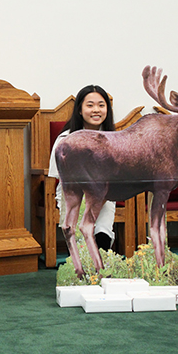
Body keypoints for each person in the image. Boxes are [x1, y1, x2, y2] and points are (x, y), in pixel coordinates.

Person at [48, 85, 116, 250]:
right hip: (73, 194)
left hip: (104, 195)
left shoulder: (113, 139)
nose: (96, 110)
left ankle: (103, 243)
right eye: (90, 105)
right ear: (79, 110)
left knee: (104, 221)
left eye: (101, 105)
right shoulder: (66, 139)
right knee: (79, 236)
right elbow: (58, 175)